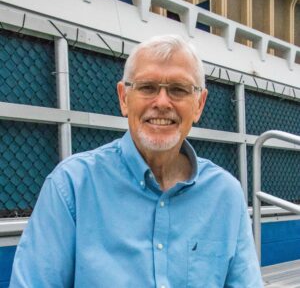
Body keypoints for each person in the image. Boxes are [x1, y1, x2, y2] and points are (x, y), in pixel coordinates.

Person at [10, 34, 263, 287]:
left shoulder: (225, 195)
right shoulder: (72, 187)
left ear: (199, 104)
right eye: (147, 87)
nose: (162, 102)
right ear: (123, 98)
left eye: (178, 89)